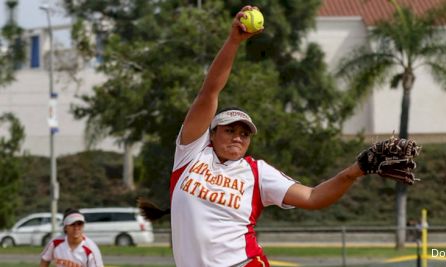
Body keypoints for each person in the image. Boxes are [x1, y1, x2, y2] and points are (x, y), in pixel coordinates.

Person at [140, 5, 418, 267]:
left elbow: (312, 197)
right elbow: (209, 92)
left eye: (244, 133)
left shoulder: (256, 173)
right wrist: (233, 42)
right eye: (230, 129)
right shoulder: (192, 154)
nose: (238, 136)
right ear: (211, 134)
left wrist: (355, 171)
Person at [40, 208, 104, 267]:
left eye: (79, 224)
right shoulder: (55, 243)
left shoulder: (91, 248)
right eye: (72, 224)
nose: (76, 228)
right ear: (65, 227)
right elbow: (45, 260)